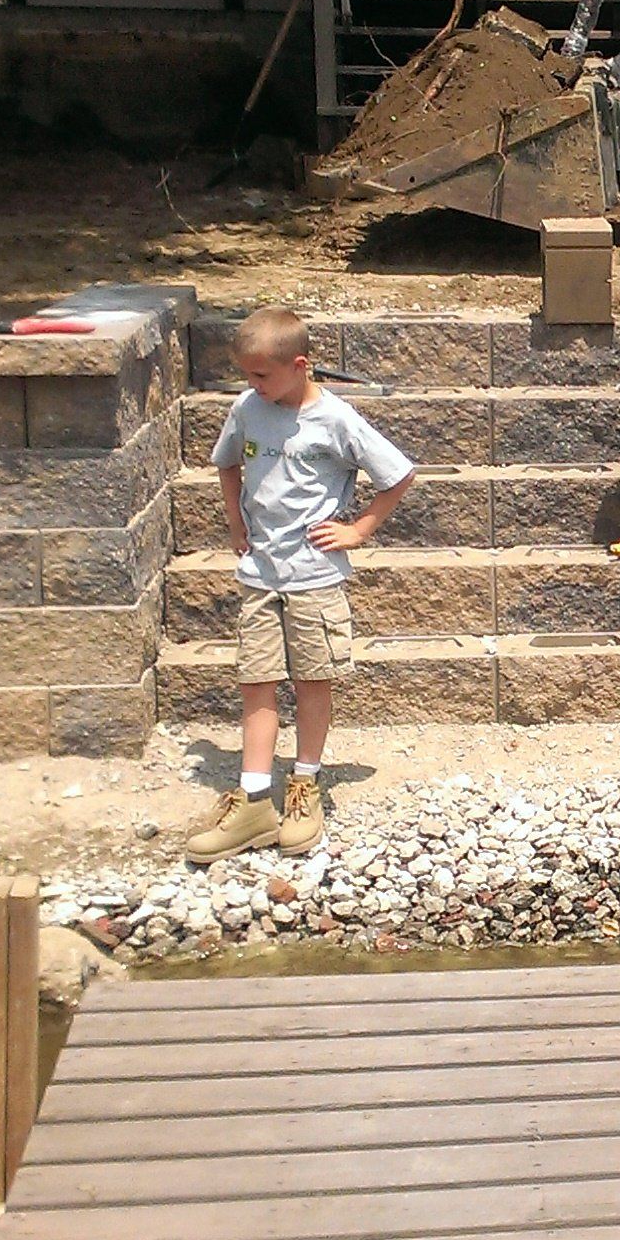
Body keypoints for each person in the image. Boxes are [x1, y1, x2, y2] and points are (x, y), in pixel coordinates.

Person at [186, 307, 415, 864]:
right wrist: (236, 525)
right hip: (259, 574)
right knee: (256, 680)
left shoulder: (335, 419)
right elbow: (227, 465)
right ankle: (255, 796)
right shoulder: (247, 409)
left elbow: (398, 473)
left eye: (262, 376)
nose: (252, 386)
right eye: (247, 376)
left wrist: (359, 528)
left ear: (300, 365)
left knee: (313, 677)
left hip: (313, 576)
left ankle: (305, 782)